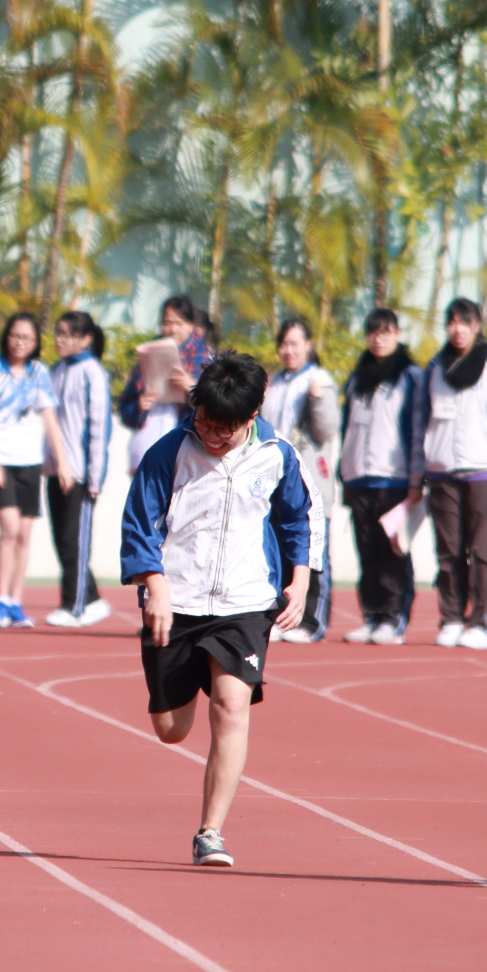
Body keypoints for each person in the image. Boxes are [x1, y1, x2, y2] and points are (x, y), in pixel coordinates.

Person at [121, 349, 316, 869]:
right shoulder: (170, 452)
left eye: (223, 429)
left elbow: (296, 520)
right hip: (177, 599)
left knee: (231, 707)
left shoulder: (277, 454)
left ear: (251, 416)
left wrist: (299, 582)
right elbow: (139, 523)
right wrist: (155, 586)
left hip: (245, 602)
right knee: (171, 729)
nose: (211, 435)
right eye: (204, 422)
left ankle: (210, 832)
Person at [421, 297, 487, 650]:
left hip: (483, 472)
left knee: (482, 552)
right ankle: (451, 619)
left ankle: (482, 623)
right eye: (452, 322)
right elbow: (422, 416)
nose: (458, 329)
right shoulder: (435, 367)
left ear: (477, 326)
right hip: (441, 473)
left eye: (465, 322)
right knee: (448, 551)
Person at [0, 314, 70, 629]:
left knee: (25, 533)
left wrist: (62, 462)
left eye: (27, 338)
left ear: (35, 342)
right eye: (15, 336)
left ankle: (15, 601)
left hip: (30, 461)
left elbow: (50, 418)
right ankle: (0, 600)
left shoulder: (39, 372)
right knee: (10, 528)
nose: (20, 342)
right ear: (7, 336)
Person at [339, 309, 425, 645]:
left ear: (398, 334)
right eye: (373, 332)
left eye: (386, 332)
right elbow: (347, 427)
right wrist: (345, 472)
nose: (379, 338)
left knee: (393, 552)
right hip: (359, 478)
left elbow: (417, 430)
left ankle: (393, 617)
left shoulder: (410, 377)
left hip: (395, 478)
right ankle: (371, 615)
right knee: (366, 552)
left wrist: (416, 478)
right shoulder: (357, 377)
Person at [262, 317, 339, 643]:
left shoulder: (320, 380)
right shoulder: (274, 382)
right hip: (274, 478)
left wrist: (317, 399)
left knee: (311, 552)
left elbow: (327, 430)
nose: (288, 350)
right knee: (278, 551)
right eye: (284, 344)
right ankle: (283, 618)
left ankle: (311, 621)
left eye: (295, 344)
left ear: (308, 345)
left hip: (309, 479)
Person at [46, 310, 114, 627]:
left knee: (76, 540)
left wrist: (94, 477)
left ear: (85, 339)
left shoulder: (93, 373)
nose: (59, 340)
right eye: (57, 333)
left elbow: (99, 427)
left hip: (81, 473)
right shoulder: (57, 370)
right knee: (62, 540)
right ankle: (93, 599)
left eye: (66, 334)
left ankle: (74, 606)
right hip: (54, 469)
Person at [118, 294, 211, 474]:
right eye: (167, 323)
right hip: (144, 452)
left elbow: (214, 411)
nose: (173, 329)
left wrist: (191, 388)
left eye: (179, 323)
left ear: (191, 325)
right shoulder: (147, 355)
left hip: (184, 456)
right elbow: (126, 411)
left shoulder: (205, 360)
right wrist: (138, 406)